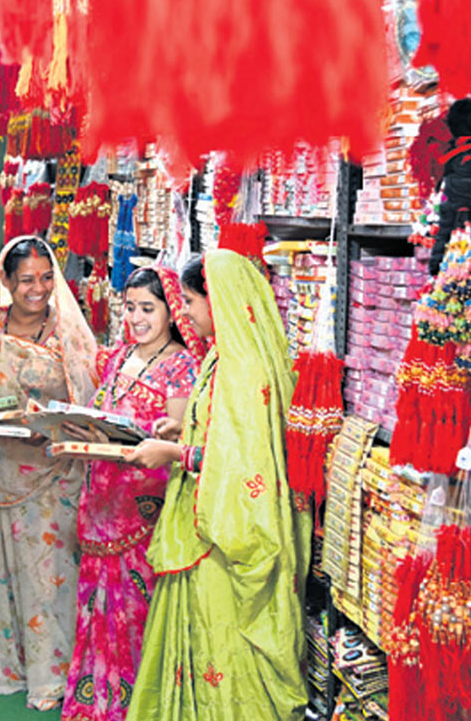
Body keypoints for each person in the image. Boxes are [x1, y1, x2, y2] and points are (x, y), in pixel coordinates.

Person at [122, 251, 312, 721]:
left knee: (221, 646)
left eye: (189, 301)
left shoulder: (241, 372)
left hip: (223, 540)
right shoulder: (222, 360)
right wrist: (180, 430)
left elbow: (247, 467)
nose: (183, 311)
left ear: (219, 300)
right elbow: (221, 439)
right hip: (202, 525)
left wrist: (175, 454)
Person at [0, 235, 99, 711]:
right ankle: (1, 664)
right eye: (25, 281)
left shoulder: (68, 333)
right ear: (7, 283)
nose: (36, 290)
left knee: (48, 575)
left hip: (51, 472)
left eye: (44, 279)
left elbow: (89, 400)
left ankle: (51, 674)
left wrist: (56, 424)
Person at [56, 266, 206, 721]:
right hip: (101, 494)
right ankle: (94, 700)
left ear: (171, 310)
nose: (136, 318)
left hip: (145, 504)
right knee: (95, 597)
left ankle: (136, 706)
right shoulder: (118, 356)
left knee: (135, 605)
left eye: (148, 308)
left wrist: (146, 437)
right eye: (130, 307)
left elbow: (178, 433)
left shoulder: (181, 364)